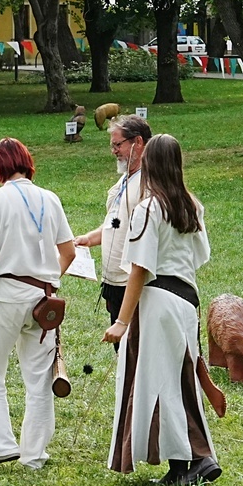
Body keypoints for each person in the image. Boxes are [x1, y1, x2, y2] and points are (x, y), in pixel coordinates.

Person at [104, 134, 220, 485]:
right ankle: (187, 461)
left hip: (158, 303)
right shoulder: (191, 205)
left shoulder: (148, 208)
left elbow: (140, 267)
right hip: (186, 301)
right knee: (179, 379)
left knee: (160, 383)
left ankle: (192, 459)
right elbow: (199, 256)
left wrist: (121, 321)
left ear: (149, 163)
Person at [0, 139, 75, 469]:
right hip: (43, 299)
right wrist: (49, 279)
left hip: (4, 295)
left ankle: (2, 444)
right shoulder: (50, 198)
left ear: (0, 166)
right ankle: (34, 454)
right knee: (39, 378)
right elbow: (68, 252)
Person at [72, 115, 152, 331]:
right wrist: (89, 239)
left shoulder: (149, 182)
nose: (114, 151)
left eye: (118, 145)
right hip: (114, 282)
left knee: (134, 345)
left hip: (134, 284)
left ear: (138, 142)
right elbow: (116, 223)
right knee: (121, 347)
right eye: (112, 146)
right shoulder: (125, 178)